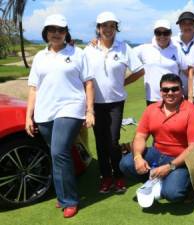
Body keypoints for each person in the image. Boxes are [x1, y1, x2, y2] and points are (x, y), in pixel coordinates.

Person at [25, 14, 95, 218]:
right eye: (52, 30)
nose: (56, 33)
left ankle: (69, 199)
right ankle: (63, 193)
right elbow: (33, 89)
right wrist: (29, 116)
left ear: (66, 33)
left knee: (58, 152)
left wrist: (89, 110)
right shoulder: (40, 57)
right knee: (57, 154)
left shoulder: (78, 53)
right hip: (44, 112)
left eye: (61, 30)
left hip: (70, 108)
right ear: (46, 33)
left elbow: (88, 83)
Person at [119, 74, 194, 203]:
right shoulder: (151, 109)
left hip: (180, 159)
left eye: (174, 89)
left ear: (182, 90)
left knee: (173, 194)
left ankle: (187, 186)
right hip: (157, 153)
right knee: (126, 164)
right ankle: (156, 180)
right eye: (165, 90)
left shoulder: (192, 111)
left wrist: (169, 167)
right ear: (161, 92)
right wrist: (137, 157)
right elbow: (140, 136)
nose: (170, 93)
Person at [84, 11, 144, 194]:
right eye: (104, 26)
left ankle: (118, 176)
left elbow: (140, 71)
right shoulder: (88, 50)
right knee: (101, 143)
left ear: (116, 28)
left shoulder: (124, 48)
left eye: (112, 26)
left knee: (113, 141)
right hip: (95, 103)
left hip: (116, 102)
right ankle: (106, 177)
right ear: (98, 28)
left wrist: (123, 82)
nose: (108, 29)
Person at [133, 20, 187, 105]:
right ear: (154, 33)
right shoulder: (144, 49)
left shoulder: (177, 49)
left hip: (174, 96)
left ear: (170, 33)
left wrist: (190, 95)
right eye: (158, 33)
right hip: (152, 98)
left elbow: (187, 72)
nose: (162, 36)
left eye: (166, 33)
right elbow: (125, 55)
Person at [172, 11, 194, 97]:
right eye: (184, 24)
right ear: (179, 26)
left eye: (190, 24)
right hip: (174, 91)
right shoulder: (171, 42)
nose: (187, 27)